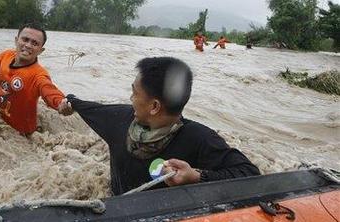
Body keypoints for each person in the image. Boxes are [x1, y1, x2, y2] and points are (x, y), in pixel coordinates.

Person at [60, 57, 260, 195]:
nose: (131, 98)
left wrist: (197, 176)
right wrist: (70, 103)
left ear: (154, 106)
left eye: (134, 93)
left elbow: (250, 175)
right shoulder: (119, 118)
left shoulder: (199, 138)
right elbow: (90, 108)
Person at [0, 23, 73, 134]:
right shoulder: (6, 56)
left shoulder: (39, 75)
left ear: (41, 50)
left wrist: (61, 104)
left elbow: (49, 92)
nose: (28, 45)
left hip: (21, 133)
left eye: (35, 43)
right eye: (25, 39)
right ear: (16, 40)